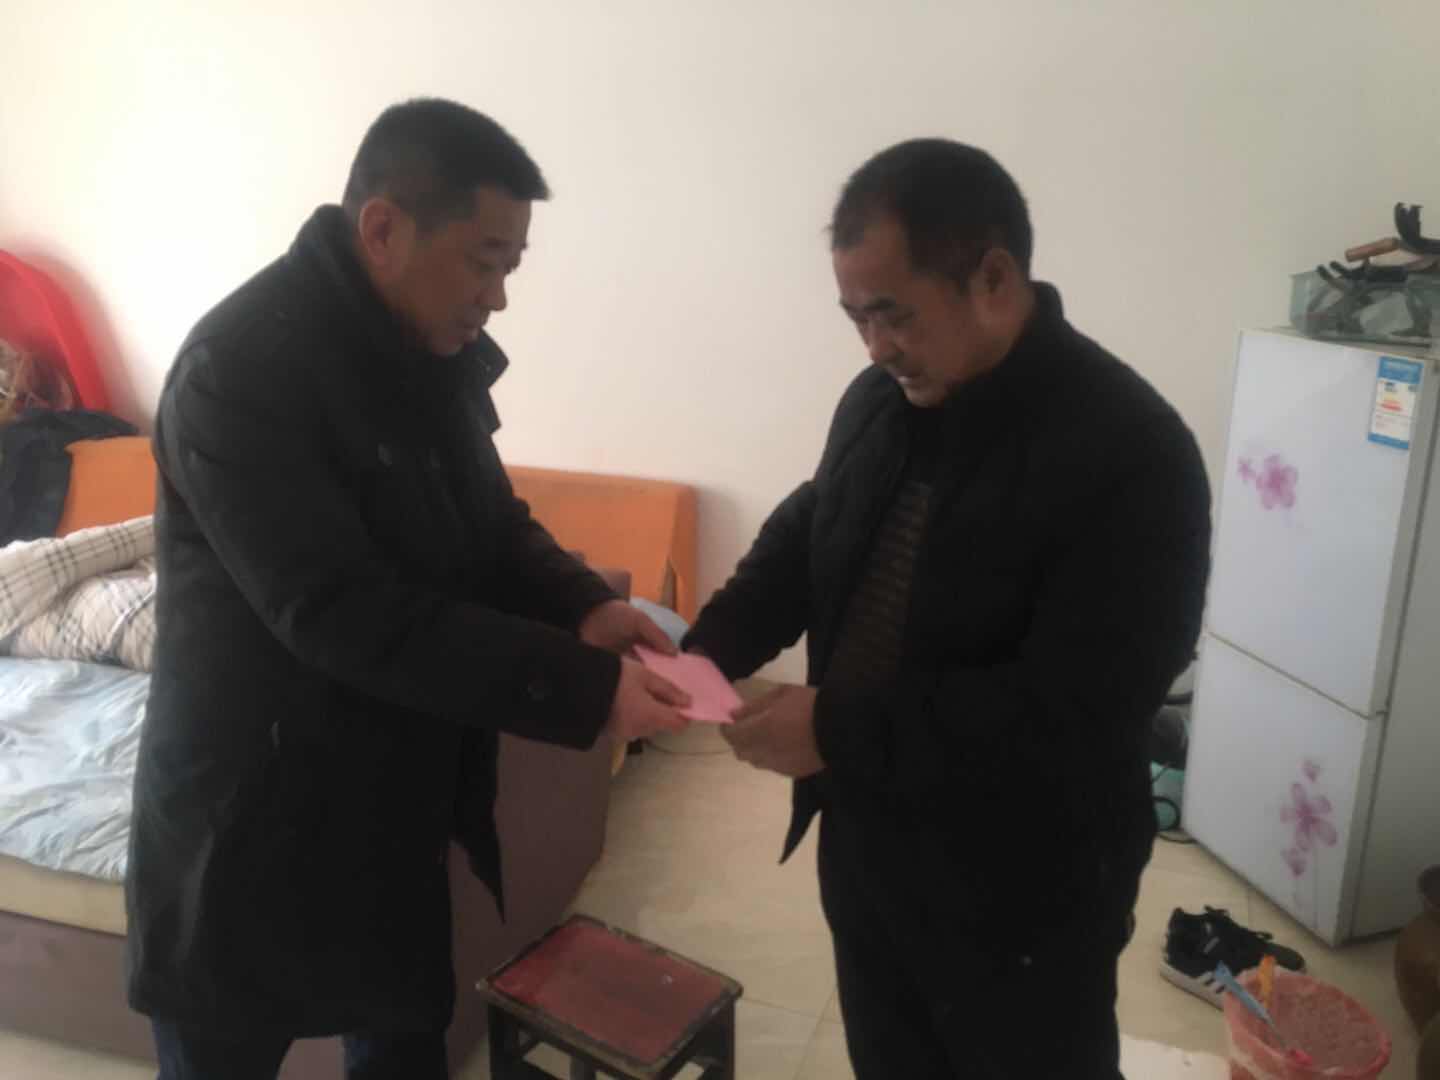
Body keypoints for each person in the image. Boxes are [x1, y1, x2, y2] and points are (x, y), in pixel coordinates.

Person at [125, 98, 690, 1079]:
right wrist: (589, 689)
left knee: (399, 1044)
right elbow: (340, 612)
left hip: (387, 807)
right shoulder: (239, 372)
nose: (497, 298)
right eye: (483, 262)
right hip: (246, 820)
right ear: (384, 229)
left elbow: (490, 520)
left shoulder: (427, 350)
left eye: (511, 268)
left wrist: (584, 606)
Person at [685, 139, 1212, 1078]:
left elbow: (1078, 709)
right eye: (856, 319)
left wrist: (835, 730)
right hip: (870, 846)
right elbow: (814, 530)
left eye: (894, 315)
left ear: (994, 279)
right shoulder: (878, 400)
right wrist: (708, 648)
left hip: (1025, 890)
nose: (874, 347)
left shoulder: (1131, 452)